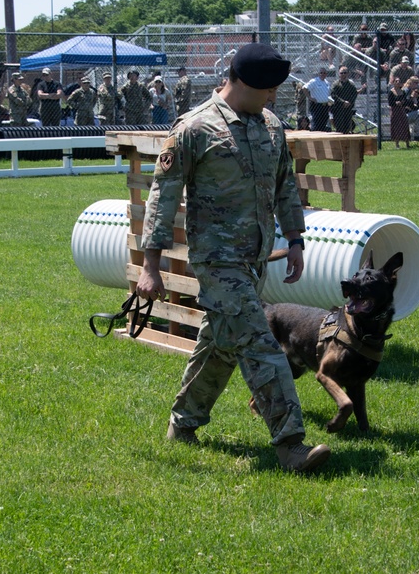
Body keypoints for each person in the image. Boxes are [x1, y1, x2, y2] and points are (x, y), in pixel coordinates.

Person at [135, 42, 331, 473]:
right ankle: (291, 445)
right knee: (261, 344)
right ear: (240, 82)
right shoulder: (194, 129)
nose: (272, 98)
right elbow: (162, 197)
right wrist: (150, 266)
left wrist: (295, 238)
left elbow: (284, 184)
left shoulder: (271, 126)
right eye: (266, 90)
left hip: (255, 259)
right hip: (217, 261)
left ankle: (182, 425)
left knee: (220, 345)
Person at [329, 66, 359, 133]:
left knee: (348, 126)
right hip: (338, 108)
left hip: (348, 108)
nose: (343, 74)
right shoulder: (336, 84)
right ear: (339, 74)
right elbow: (333, 95)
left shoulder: (351, 84)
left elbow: (354, 94)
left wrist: (349, 102)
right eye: (341, 73)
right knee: (339, 127)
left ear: (348, 73)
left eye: (345, 73)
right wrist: (343, 102)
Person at [304, 67, 331, 131]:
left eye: (324, 73)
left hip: (325, 106)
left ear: (326, 74)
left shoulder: (327, 83)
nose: (322, 74)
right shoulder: (314, 81)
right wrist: (310, 98)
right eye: (321, 73)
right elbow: (304, 88)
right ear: (318, 73)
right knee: (316, 124)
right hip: (316, 106)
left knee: (323, 124)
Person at [388, 74, 410, 149]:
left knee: (404, 125)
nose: (398, 83)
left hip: (402, 111)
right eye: (396, 81)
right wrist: (395, 103)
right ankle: (397, 144)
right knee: (396, 126)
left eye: (399, 81)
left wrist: (402, 102)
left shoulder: (403, 92)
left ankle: (407, 143)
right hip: (395, 111)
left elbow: (406, 101)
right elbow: (390, 102)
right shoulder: (391, 92)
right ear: (393, 82)